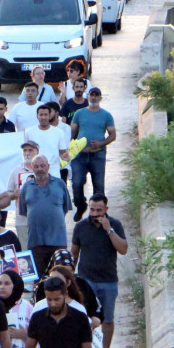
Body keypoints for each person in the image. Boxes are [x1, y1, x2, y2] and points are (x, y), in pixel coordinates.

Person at [71, 194, 127, 348]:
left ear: (106, 210)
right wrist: (71, 276)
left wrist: (109, 229)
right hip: (86, 280)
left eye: (99, 210)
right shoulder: (80, 226)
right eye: (92, 209)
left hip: (108, 280)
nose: (94, 213)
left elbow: (123, 249)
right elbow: (74, 252)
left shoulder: (115, 225)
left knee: (107, 319)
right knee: (85, 318)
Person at [20, 155, 73, 278]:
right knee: (38, 279)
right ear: (32, 168)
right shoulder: (26, 187)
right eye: (36, 166)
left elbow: (65, 209)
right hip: (35, 241)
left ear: (48, 166)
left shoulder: (60, 184)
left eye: (43, 165)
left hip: (58, 240)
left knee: (60, 278)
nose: (40, 169)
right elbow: (24, 211)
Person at [69, 88, 117, 221]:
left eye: (97, 95)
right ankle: (80, 206)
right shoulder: (80, 113)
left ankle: (99, 216)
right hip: (80, 155)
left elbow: (113, 135)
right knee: (76, 183)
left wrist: (101, 144)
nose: (94, 98)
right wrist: (71, 149)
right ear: (87, 96)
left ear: (101, 98)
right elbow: (72, 131)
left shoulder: (106, 115)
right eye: (91, 95)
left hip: (98, 155)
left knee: (99, 187)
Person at [23, 104, 70, 186]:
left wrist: (65, 156)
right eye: (41, 115)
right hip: (35, 173)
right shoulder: (28, 132)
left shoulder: (59, 132)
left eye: (45, 115)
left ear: (50, 116)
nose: (43, 117)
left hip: (54, 172)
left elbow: (63, 152)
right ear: (37, 116)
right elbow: (25, 152)